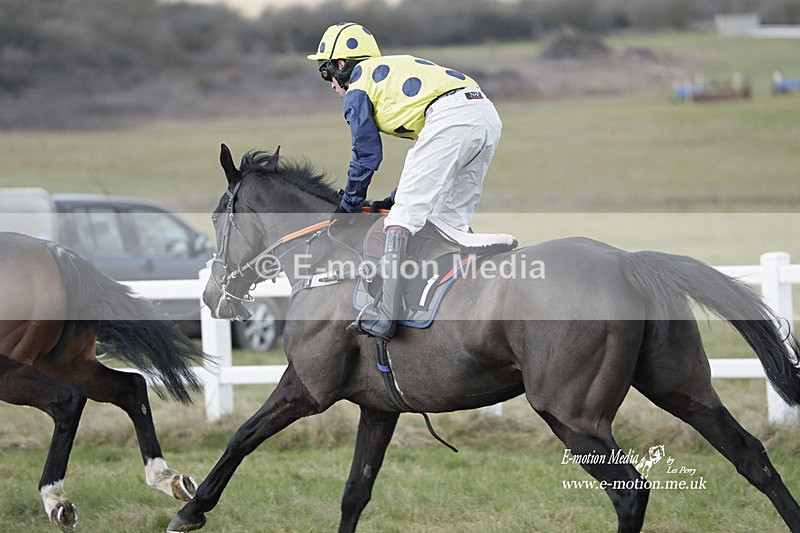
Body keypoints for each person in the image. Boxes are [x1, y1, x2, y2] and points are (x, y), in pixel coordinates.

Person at [308, 22, 503, 342]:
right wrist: (396, 197)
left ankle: (386, 315)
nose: (330, 84)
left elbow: (366, 155)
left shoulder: (358, 87)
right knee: (449, 222)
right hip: (485, 113)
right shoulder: (388, 74)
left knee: (400, 221)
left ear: (341, 65)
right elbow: (431, 165)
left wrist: (349, 206)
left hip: (451, 116)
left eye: (325, 72)